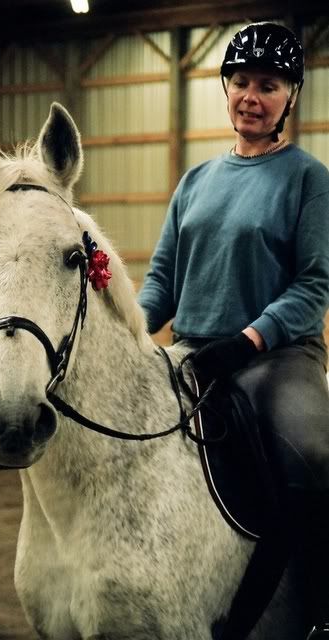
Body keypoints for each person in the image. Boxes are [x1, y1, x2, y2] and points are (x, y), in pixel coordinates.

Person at [138, 22, 329, 639]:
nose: (251, 96)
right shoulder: (194, 181)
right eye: (241, 81)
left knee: (314, 455)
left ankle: (321, 611)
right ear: (225, 87)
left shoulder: (308, 179)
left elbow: (314, 284)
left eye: (268, 85)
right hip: (192, 350)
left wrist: (247, 340)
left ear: (290, 97)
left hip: (276, 356)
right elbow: (162, 280)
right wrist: (132, 333)